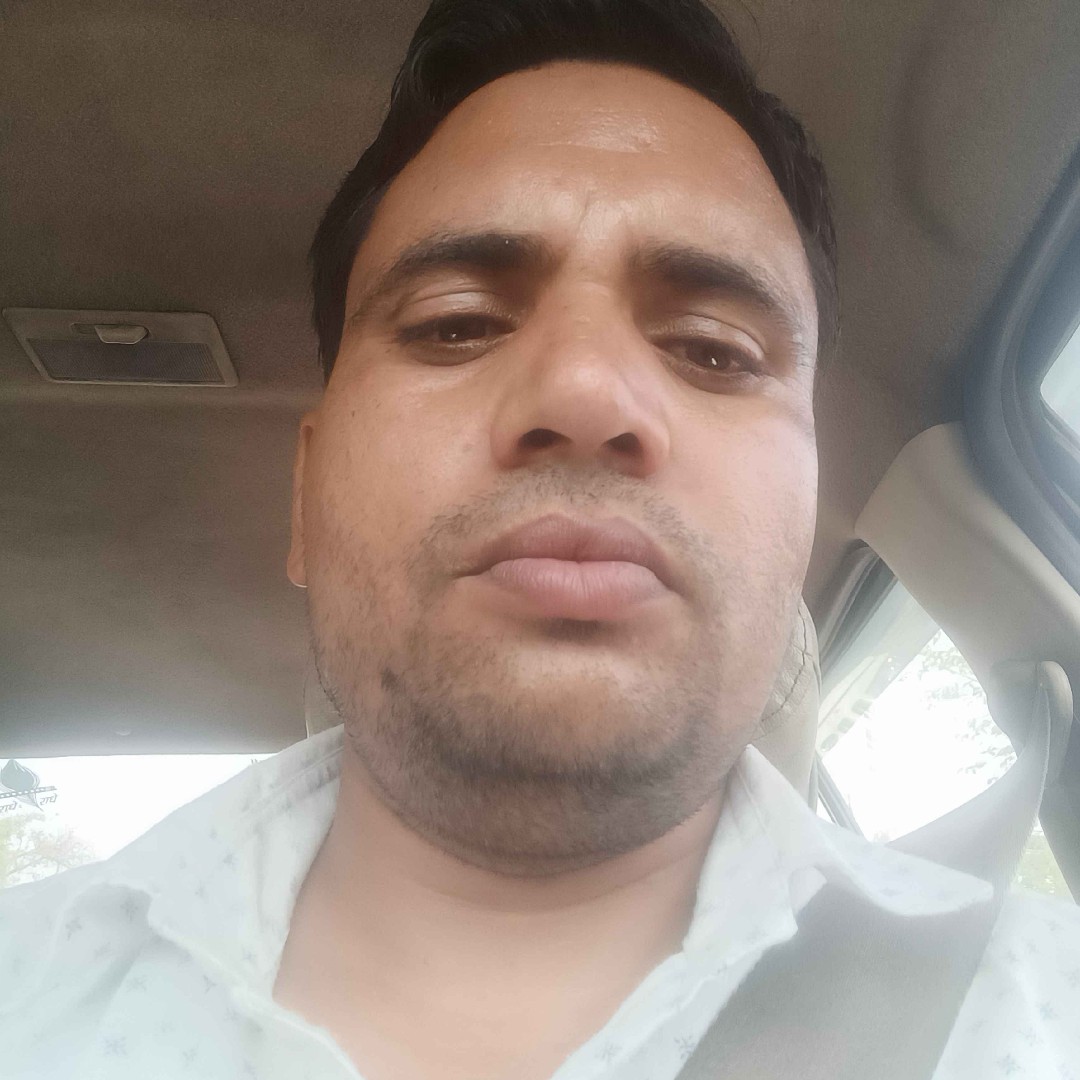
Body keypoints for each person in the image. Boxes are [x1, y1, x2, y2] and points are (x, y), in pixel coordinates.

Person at [1, 1, 1078, 1078]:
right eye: (456, 322)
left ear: (805, 504)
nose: (584, 389)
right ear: (304, 498)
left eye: (713, 348)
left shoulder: (1039, 1009)